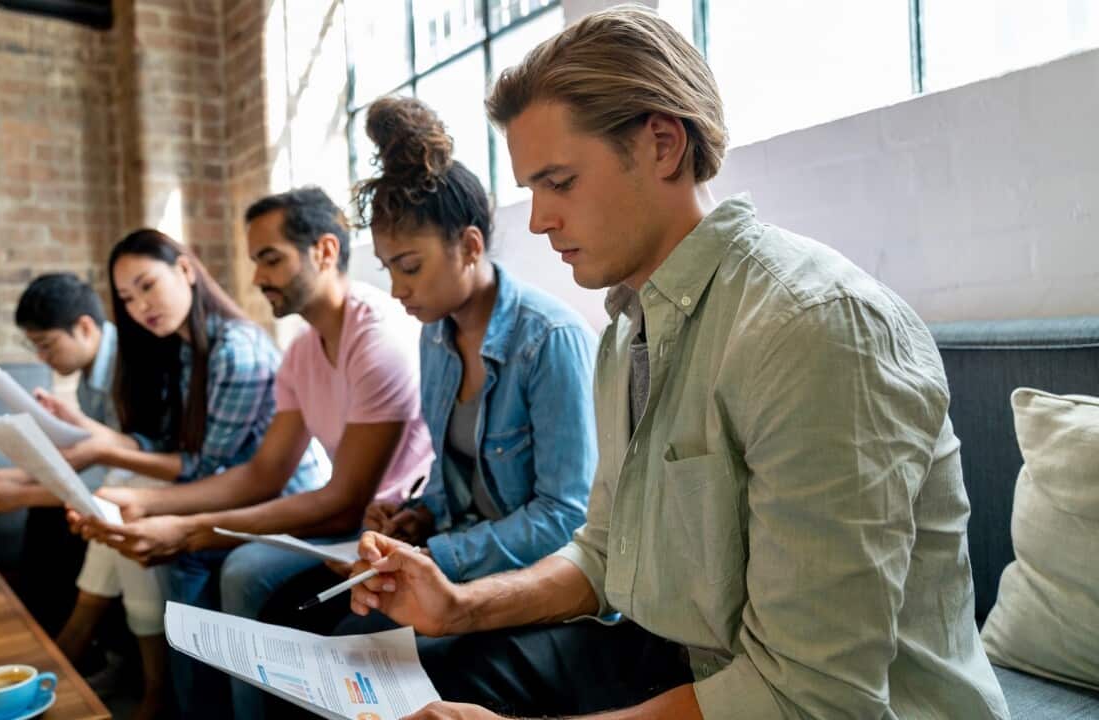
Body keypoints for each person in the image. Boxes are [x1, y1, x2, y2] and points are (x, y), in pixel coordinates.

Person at [345, 7, 1011, 719]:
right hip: (684, 658)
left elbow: (813, 695)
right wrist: (459, 607)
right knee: (421, 669)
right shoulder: (626, 332)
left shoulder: (811, 330)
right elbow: (603, 555)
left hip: (840, 706)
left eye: (559, 182)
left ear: (663, 143)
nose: (537, 220)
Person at [79, 187, 434, 718]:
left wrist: (189, 526)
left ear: (325, 251)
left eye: (271, 259)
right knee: (204, 557)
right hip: (349, 513)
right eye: (256, 261)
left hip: (393, 516)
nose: (258, 278)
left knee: (240, 567)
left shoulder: (376, 337)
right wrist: (152, 508)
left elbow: (344, 498)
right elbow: (265, 472)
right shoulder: (300, 351)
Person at [264, 97, 600, 651]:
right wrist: (415, 517)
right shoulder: (437, 337)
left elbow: (565, 516)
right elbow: (450, 478)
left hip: (536, 586)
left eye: (411, 267)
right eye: (390, 269)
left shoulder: (548, 341)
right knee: (303, 626)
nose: (398, 289)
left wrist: (436, 553)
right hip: (459, 560)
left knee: (356, 649)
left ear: (469, 246)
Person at [55, 228, 321, 720]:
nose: (140, 307)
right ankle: (162, 696)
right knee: (124, 506)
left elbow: (202, 467)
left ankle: (163, 696)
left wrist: (112, 470)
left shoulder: (234, 350)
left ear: (184, 269)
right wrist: (94, 440)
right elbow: (178, 448)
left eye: (147, 286)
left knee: (147, 521)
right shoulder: (185, 348)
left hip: (275, 499)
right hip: (226, 488)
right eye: (128, 299)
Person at [0, 273, 115, 638]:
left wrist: (20, 492)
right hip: (120, 476)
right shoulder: (92, 378)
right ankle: (45, 637)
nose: (42, 358)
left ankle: (62, 644)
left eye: (47, 345)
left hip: (145, 483)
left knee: (51, 517)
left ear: (85, 328)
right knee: (45, 515)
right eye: (36, 348)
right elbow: (90, 454)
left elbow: (115, 463)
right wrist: (9, 479)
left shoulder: (123, 371)